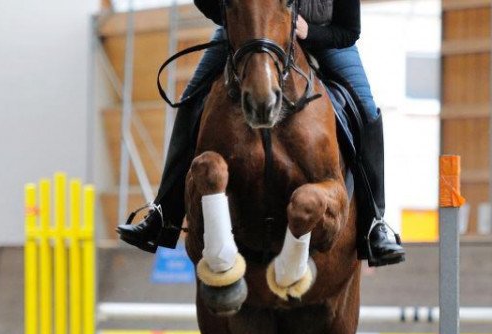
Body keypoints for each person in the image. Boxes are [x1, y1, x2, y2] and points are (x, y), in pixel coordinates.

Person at [117, 0, 405, 267]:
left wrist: (308, 32)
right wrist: (239, 18)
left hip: (326, 40)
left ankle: (374, 222)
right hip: (253, 36)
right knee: (192, 98)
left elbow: (348, 31)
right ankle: (163, 212)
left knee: (366, 109)